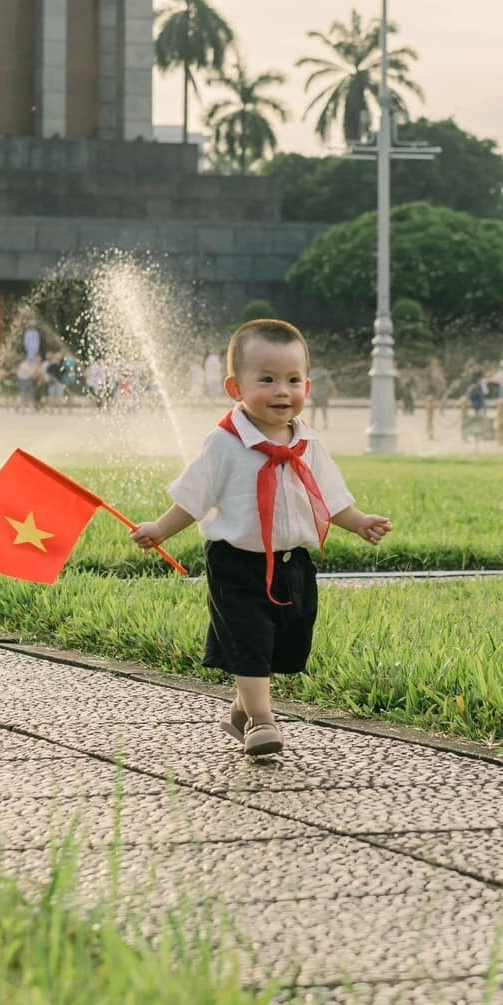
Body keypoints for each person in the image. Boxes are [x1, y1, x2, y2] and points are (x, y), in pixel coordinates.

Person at [129, 319, 392, 759]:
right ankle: (261, 720)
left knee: (284, 645)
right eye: (266, 380)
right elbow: (192, 500)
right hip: (237, 563)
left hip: (293, 566)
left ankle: (240, 708)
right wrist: (160, 529)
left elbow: (329, 498)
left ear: (307, 384)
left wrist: (359, 520)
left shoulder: (309, 442)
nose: (281, 392)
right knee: (249, 641)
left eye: (292, 380)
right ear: (235, 387)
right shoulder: (224, 444)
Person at [307, 362, 332, 430]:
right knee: (323, 409)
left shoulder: (312, 372)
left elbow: (309, 382)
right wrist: (333, 390)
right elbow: (329, 382)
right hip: (322, 393)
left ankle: (312, 423)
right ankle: (325, 423)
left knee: (314, 409)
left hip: (316, 393)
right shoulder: (324, 372)